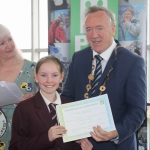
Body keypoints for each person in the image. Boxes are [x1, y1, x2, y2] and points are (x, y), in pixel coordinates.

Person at [61, 6, 146, 150]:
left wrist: (115, 133)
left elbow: (138, 111)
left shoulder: (133, 62)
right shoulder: (78, 58)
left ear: (113, 29)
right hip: (81, 145)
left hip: (117, 145)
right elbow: (67, 98)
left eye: (99, 28)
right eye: (89, 29)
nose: (94, 35)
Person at [9, 55, 93, 150]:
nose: (49, 80)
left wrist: (82, 147)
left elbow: (71, 145)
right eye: (44, 75)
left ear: (61, 77)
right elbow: (15, 146)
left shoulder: (69, 106)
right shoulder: (24, 108)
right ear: (36, 77)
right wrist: (47, 137)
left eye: (54, 75)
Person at [0, 24, 38, 150]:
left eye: (10, 39)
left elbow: (50, 100)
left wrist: (34, 100)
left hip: (26, 135)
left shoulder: (33, 68)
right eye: (2, 43)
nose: (9, 45)